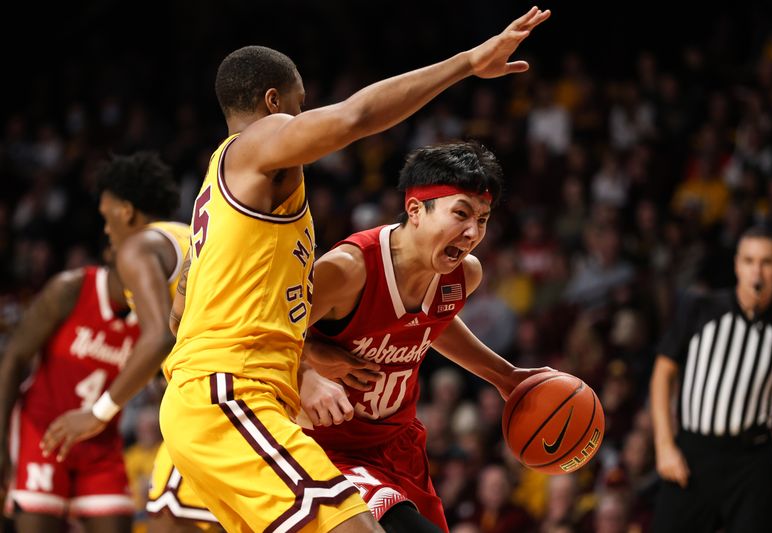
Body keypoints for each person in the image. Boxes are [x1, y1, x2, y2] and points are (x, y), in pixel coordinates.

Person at [155, 6, 552, 533]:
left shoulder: (233, 201)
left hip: (236, 396)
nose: (305, 120)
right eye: (301, 108)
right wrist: (466, 63)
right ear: (275, 105)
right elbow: (354, 119)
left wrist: (299, 362)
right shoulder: (255, 148)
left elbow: (179, 312)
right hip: (231, 392)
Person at [299, 141, 550, 531]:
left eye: (482, 220)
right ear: (416, 209)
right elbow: (263, 331)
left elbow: (434, 323)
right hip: (325, 448)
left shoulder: (463, 275)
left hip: (399, 446)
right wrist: (306, 373)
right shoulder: (348, 270)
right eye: (461, 214)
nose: (472, 233)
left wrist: (506, 376)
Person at [38, 152, 215, 531]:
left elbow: (158, 338)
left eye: (106, 217)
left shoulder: (137, 248)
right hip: (231, 388)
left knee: (167, 520)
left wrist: (96, 414)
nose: (105, 230)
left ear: (127, 211)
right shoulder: (186, 235)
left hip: (207, 401)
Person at [650, 226, 772, 533]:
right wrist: (664, 445)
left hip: (752, 462)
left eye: (767, 262)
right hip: (694, 452)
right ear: (736, 265)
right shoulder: (701, 308)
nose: (756, 271)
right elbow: (662, 374)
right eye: (748, 260)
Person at [0, 261, 138, 533]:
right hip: (44, 433)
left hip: (101, 442)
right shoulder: (70, 288)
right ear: (112, 252)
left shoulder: (153, 314)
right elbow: (14, 358)